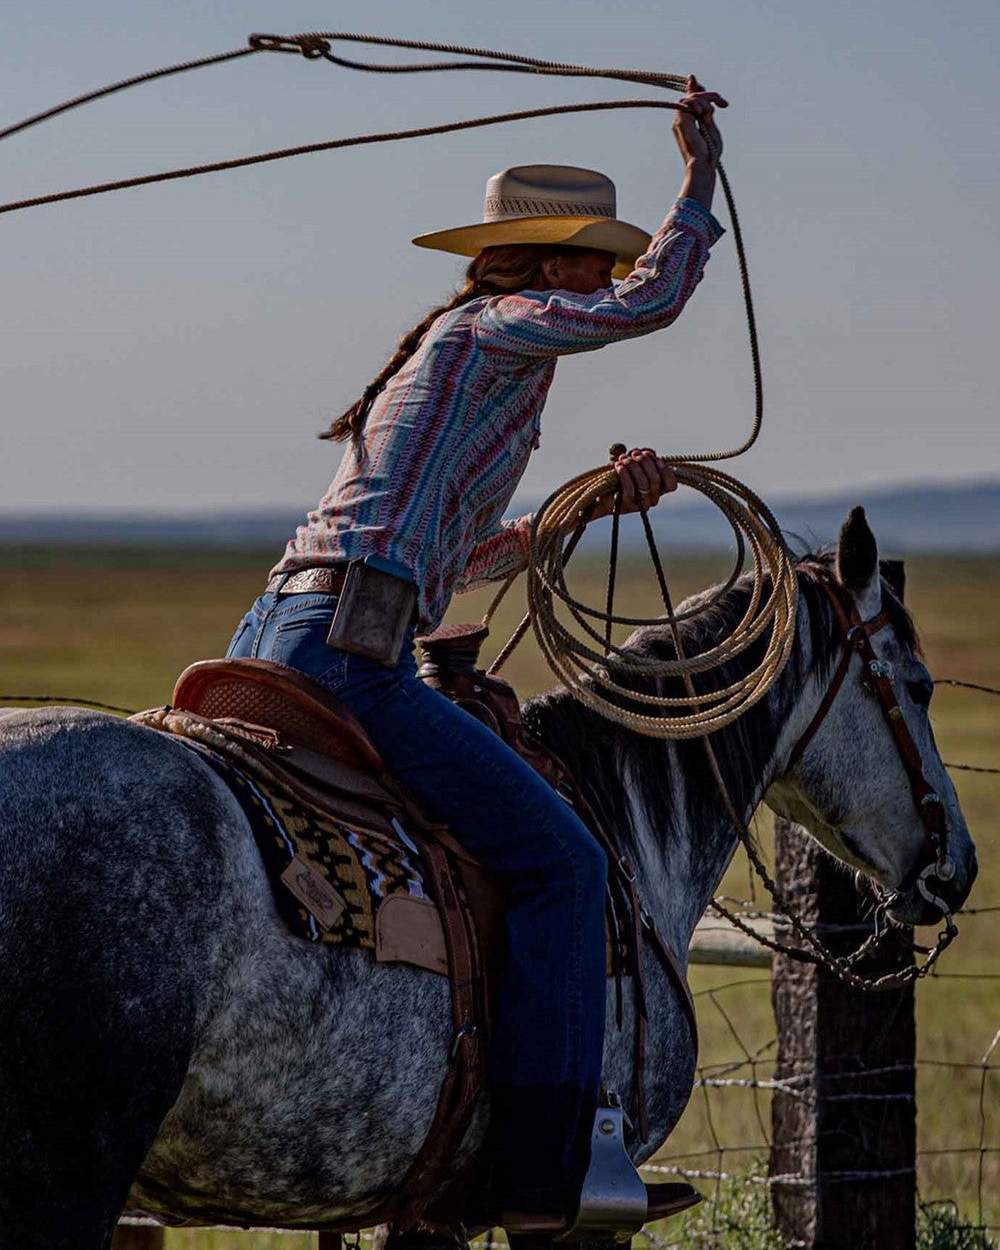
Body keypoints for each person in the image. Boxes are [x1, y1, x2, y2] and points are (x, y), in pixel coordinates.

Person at [226, 76, 726, 1231]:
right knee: (562, 864)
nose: (603, 279)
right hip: (350, 650)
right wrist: (696, 181)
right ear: (552, 266)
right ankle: (543, 1174)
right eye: (592, 260)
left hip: (286, 626)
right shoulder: (499, 330)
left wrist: (577, 510)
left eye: (606, 259)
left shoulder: (450, 352)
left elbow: (443, 564)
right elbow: (650, 304)